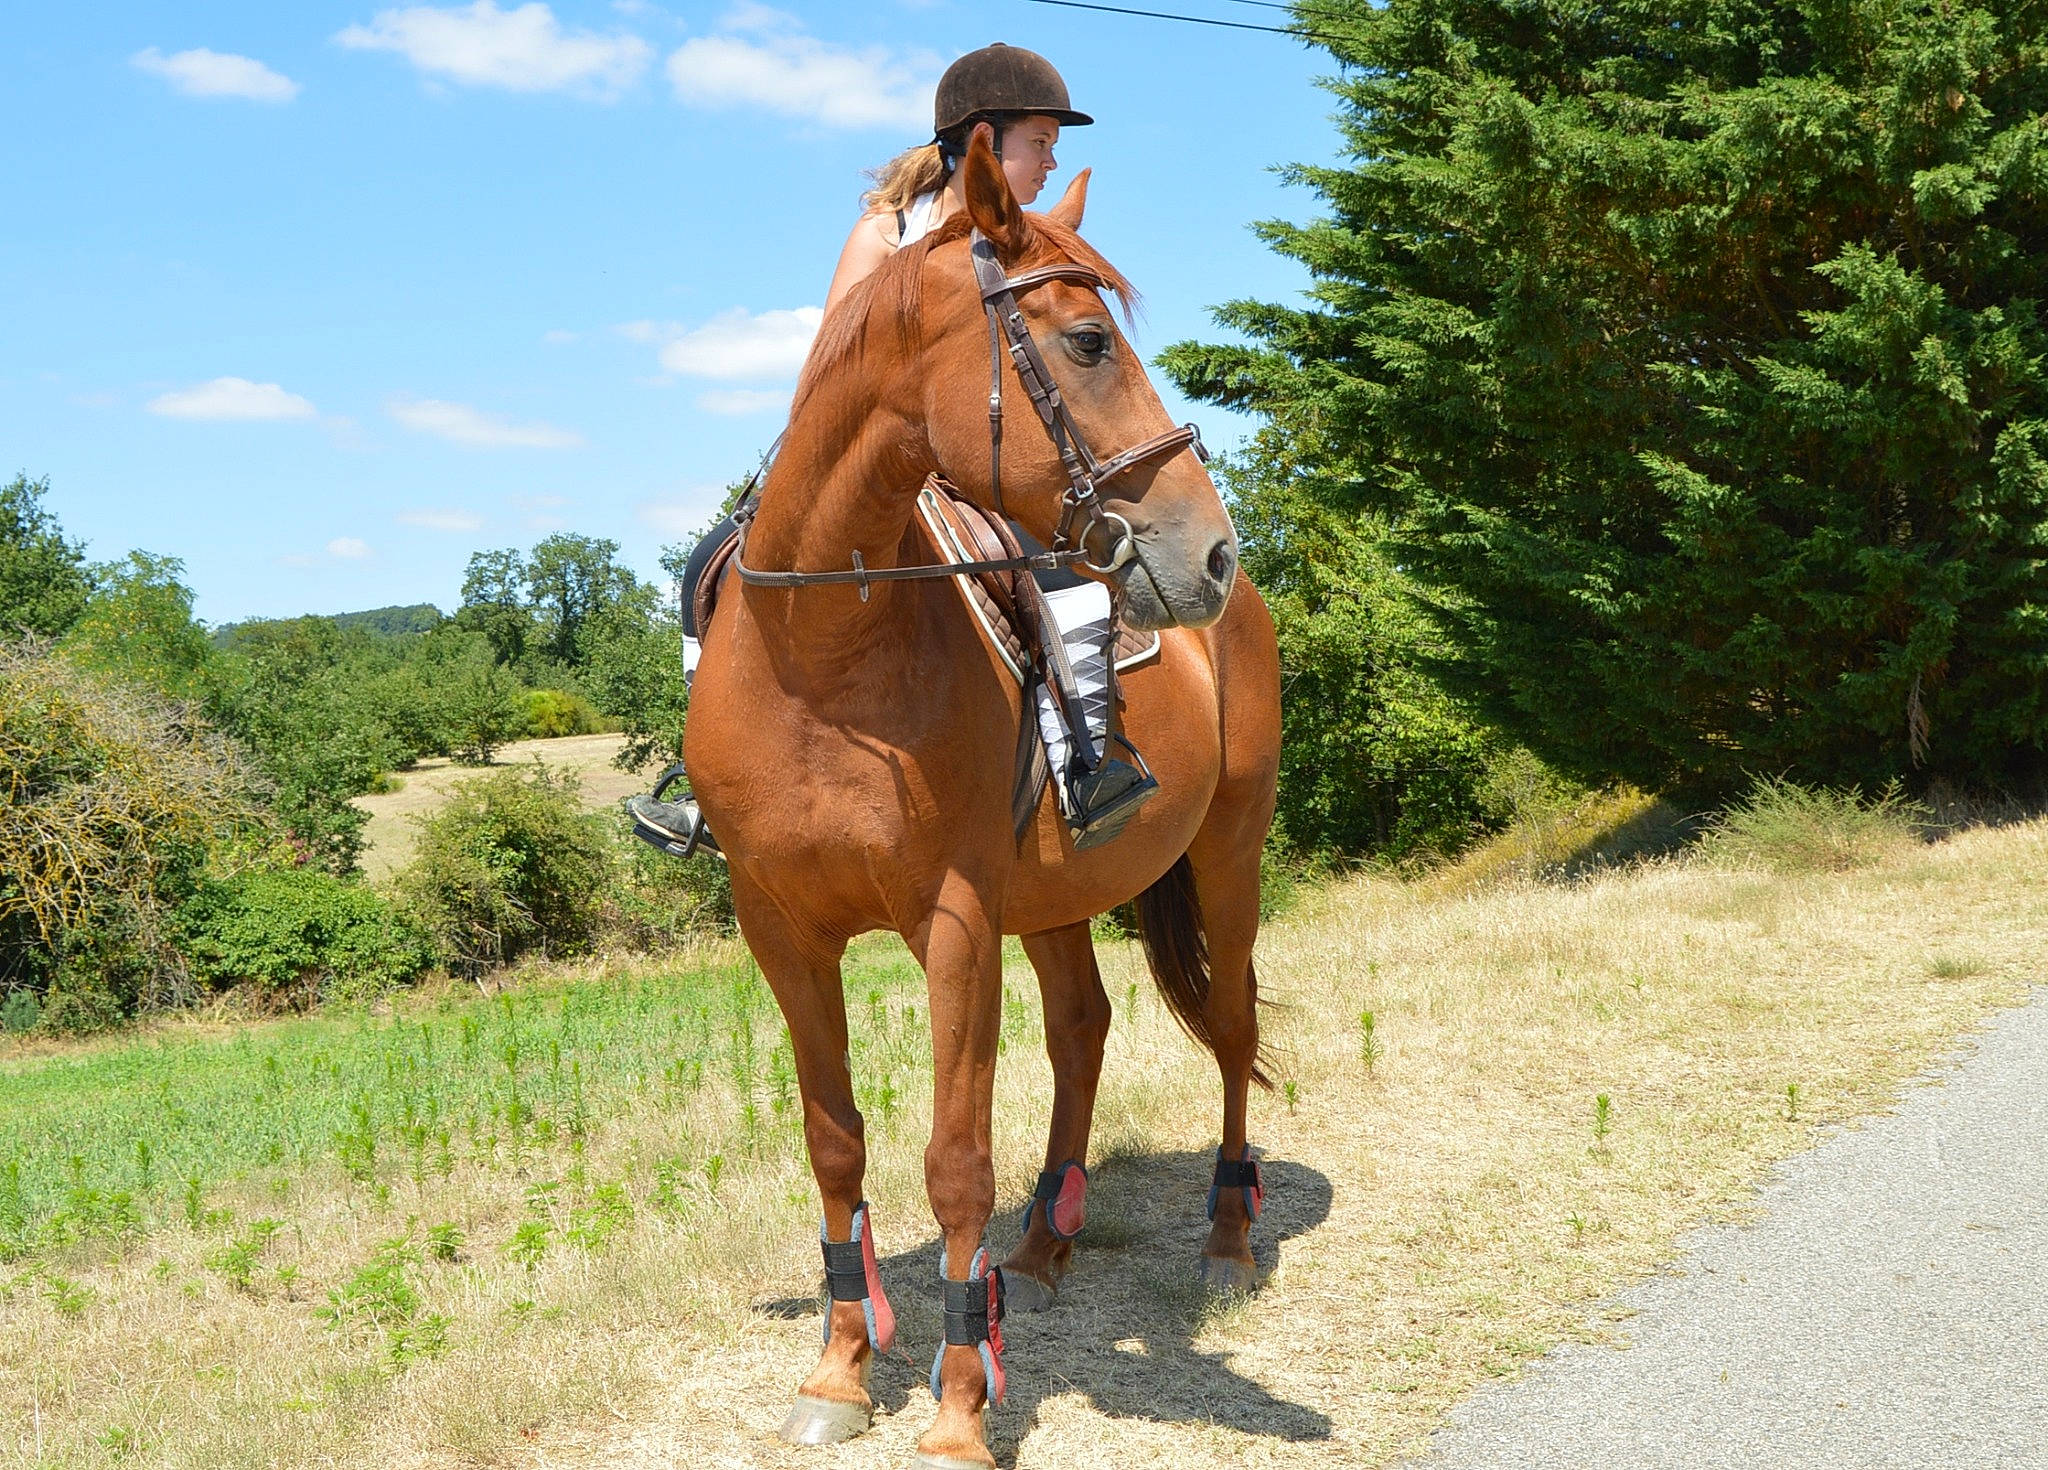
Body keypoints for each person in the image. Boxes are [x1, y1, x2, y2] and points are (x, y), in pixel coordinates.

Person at [627, 43, 1154, 858]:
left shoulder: (1033, 245)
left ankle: (1091, 757)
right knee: (704, 564)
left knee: (1052, 567)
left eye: (1054, 147)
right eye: (1040, 142)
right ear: (984, 143)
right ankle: (707, 785)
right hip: (877, 472)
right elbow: (828, 377)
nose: (1052, 162)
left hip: (977, 470)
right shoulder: (885, 233)